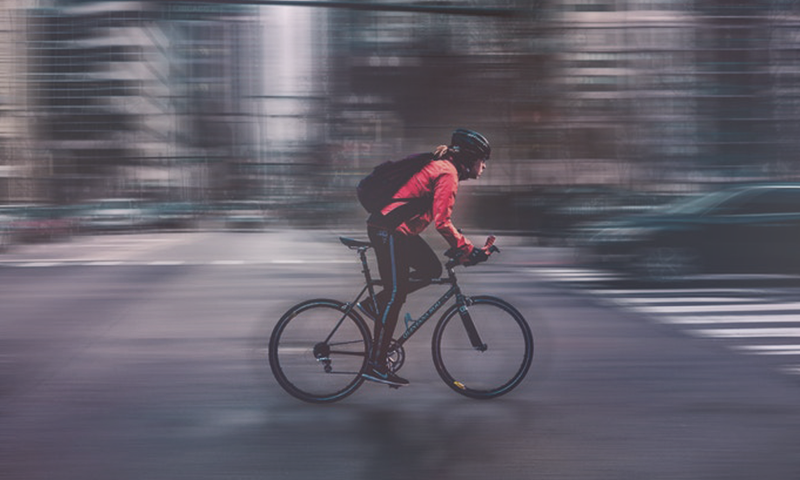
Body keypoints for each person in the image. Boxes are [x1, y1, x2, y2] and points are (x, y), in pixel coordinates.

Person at [360, 128, 492, 387]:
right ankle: (376, 363)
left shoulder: (444, 168)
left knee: (431, 269)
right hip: (388, 230)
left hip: (397, 230)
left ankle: (377, 304)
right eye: (483, 160)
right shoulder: (448, 173)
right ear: (470, 158)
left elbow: (437, 218)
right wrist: (466, 249)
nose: (484, 166)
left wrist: (463, 250)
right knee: (396, 294)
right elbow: (443, 222)